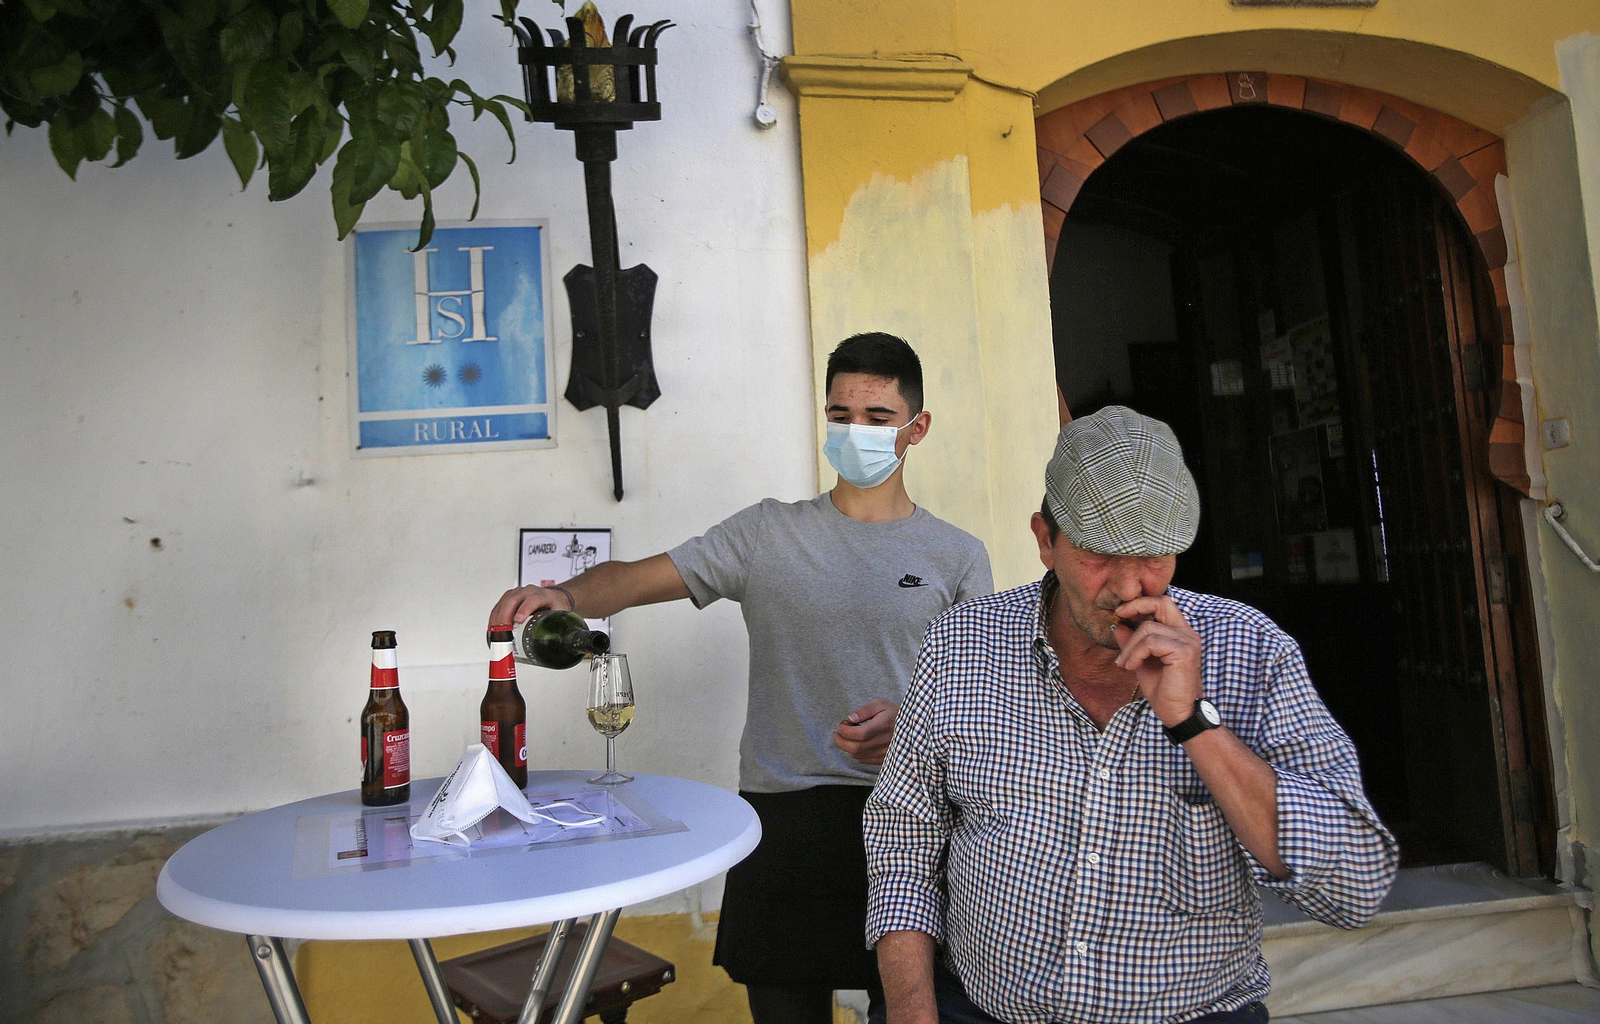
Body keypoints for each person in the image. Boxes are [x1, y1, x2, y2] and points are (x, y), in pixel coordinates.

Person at [490, 332, 994, 1024]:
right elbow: (633, 580)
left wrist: (911, 725)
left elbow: (981, 706)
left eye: (878, 417)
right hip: (783, 819)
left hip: (911, 822)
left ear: (917, 427)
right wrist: (566, 596)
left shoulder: (957, 556)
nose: (857, 431)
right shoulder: (766, 534)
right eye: (841, 414)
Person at [865, 405, 1399, 1024]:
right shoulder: (962, 645)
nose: (1129, 586)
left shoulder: (1252, 652)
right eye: (1099, 554)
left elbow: (1354, 888)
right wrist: (910, 1009)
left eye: (1154, 555)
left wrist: (1194, 721)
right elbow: (903, 835)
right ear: (1046, 540)